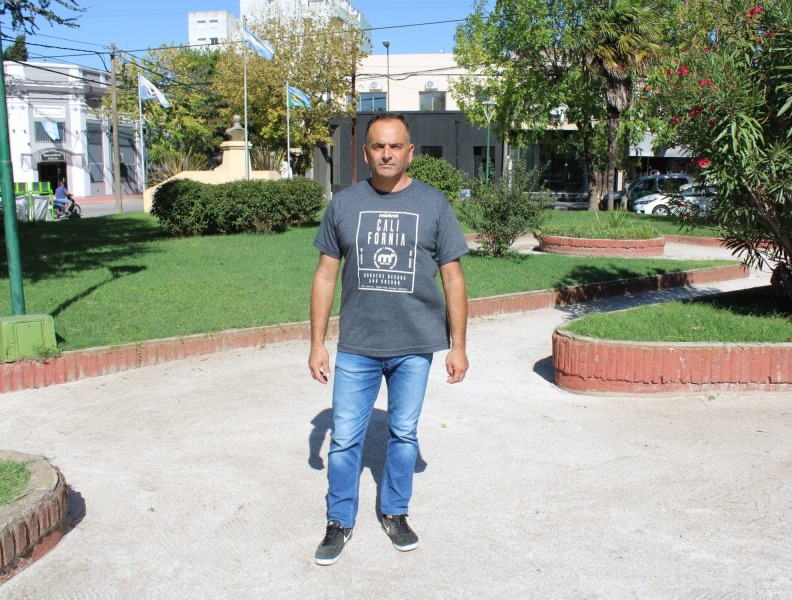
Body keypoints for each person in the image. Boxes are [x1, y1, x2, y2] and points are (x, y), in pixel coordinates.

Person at [309, 112, 469, 566]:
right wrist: (317, 342)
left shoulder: (434, 204)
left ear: (409, 152)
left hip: (415, 345)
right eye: (378, 146)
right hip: (357, 345)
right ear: (366, 153)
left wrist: (458, 345)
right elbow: (325, 275)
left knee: (403, 433)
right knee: (344, 439)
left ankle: (395, 512)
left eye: (395, 146)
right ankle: (339, 520)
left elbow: (454, 278)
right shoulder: (344, 204)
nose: (386, 154)